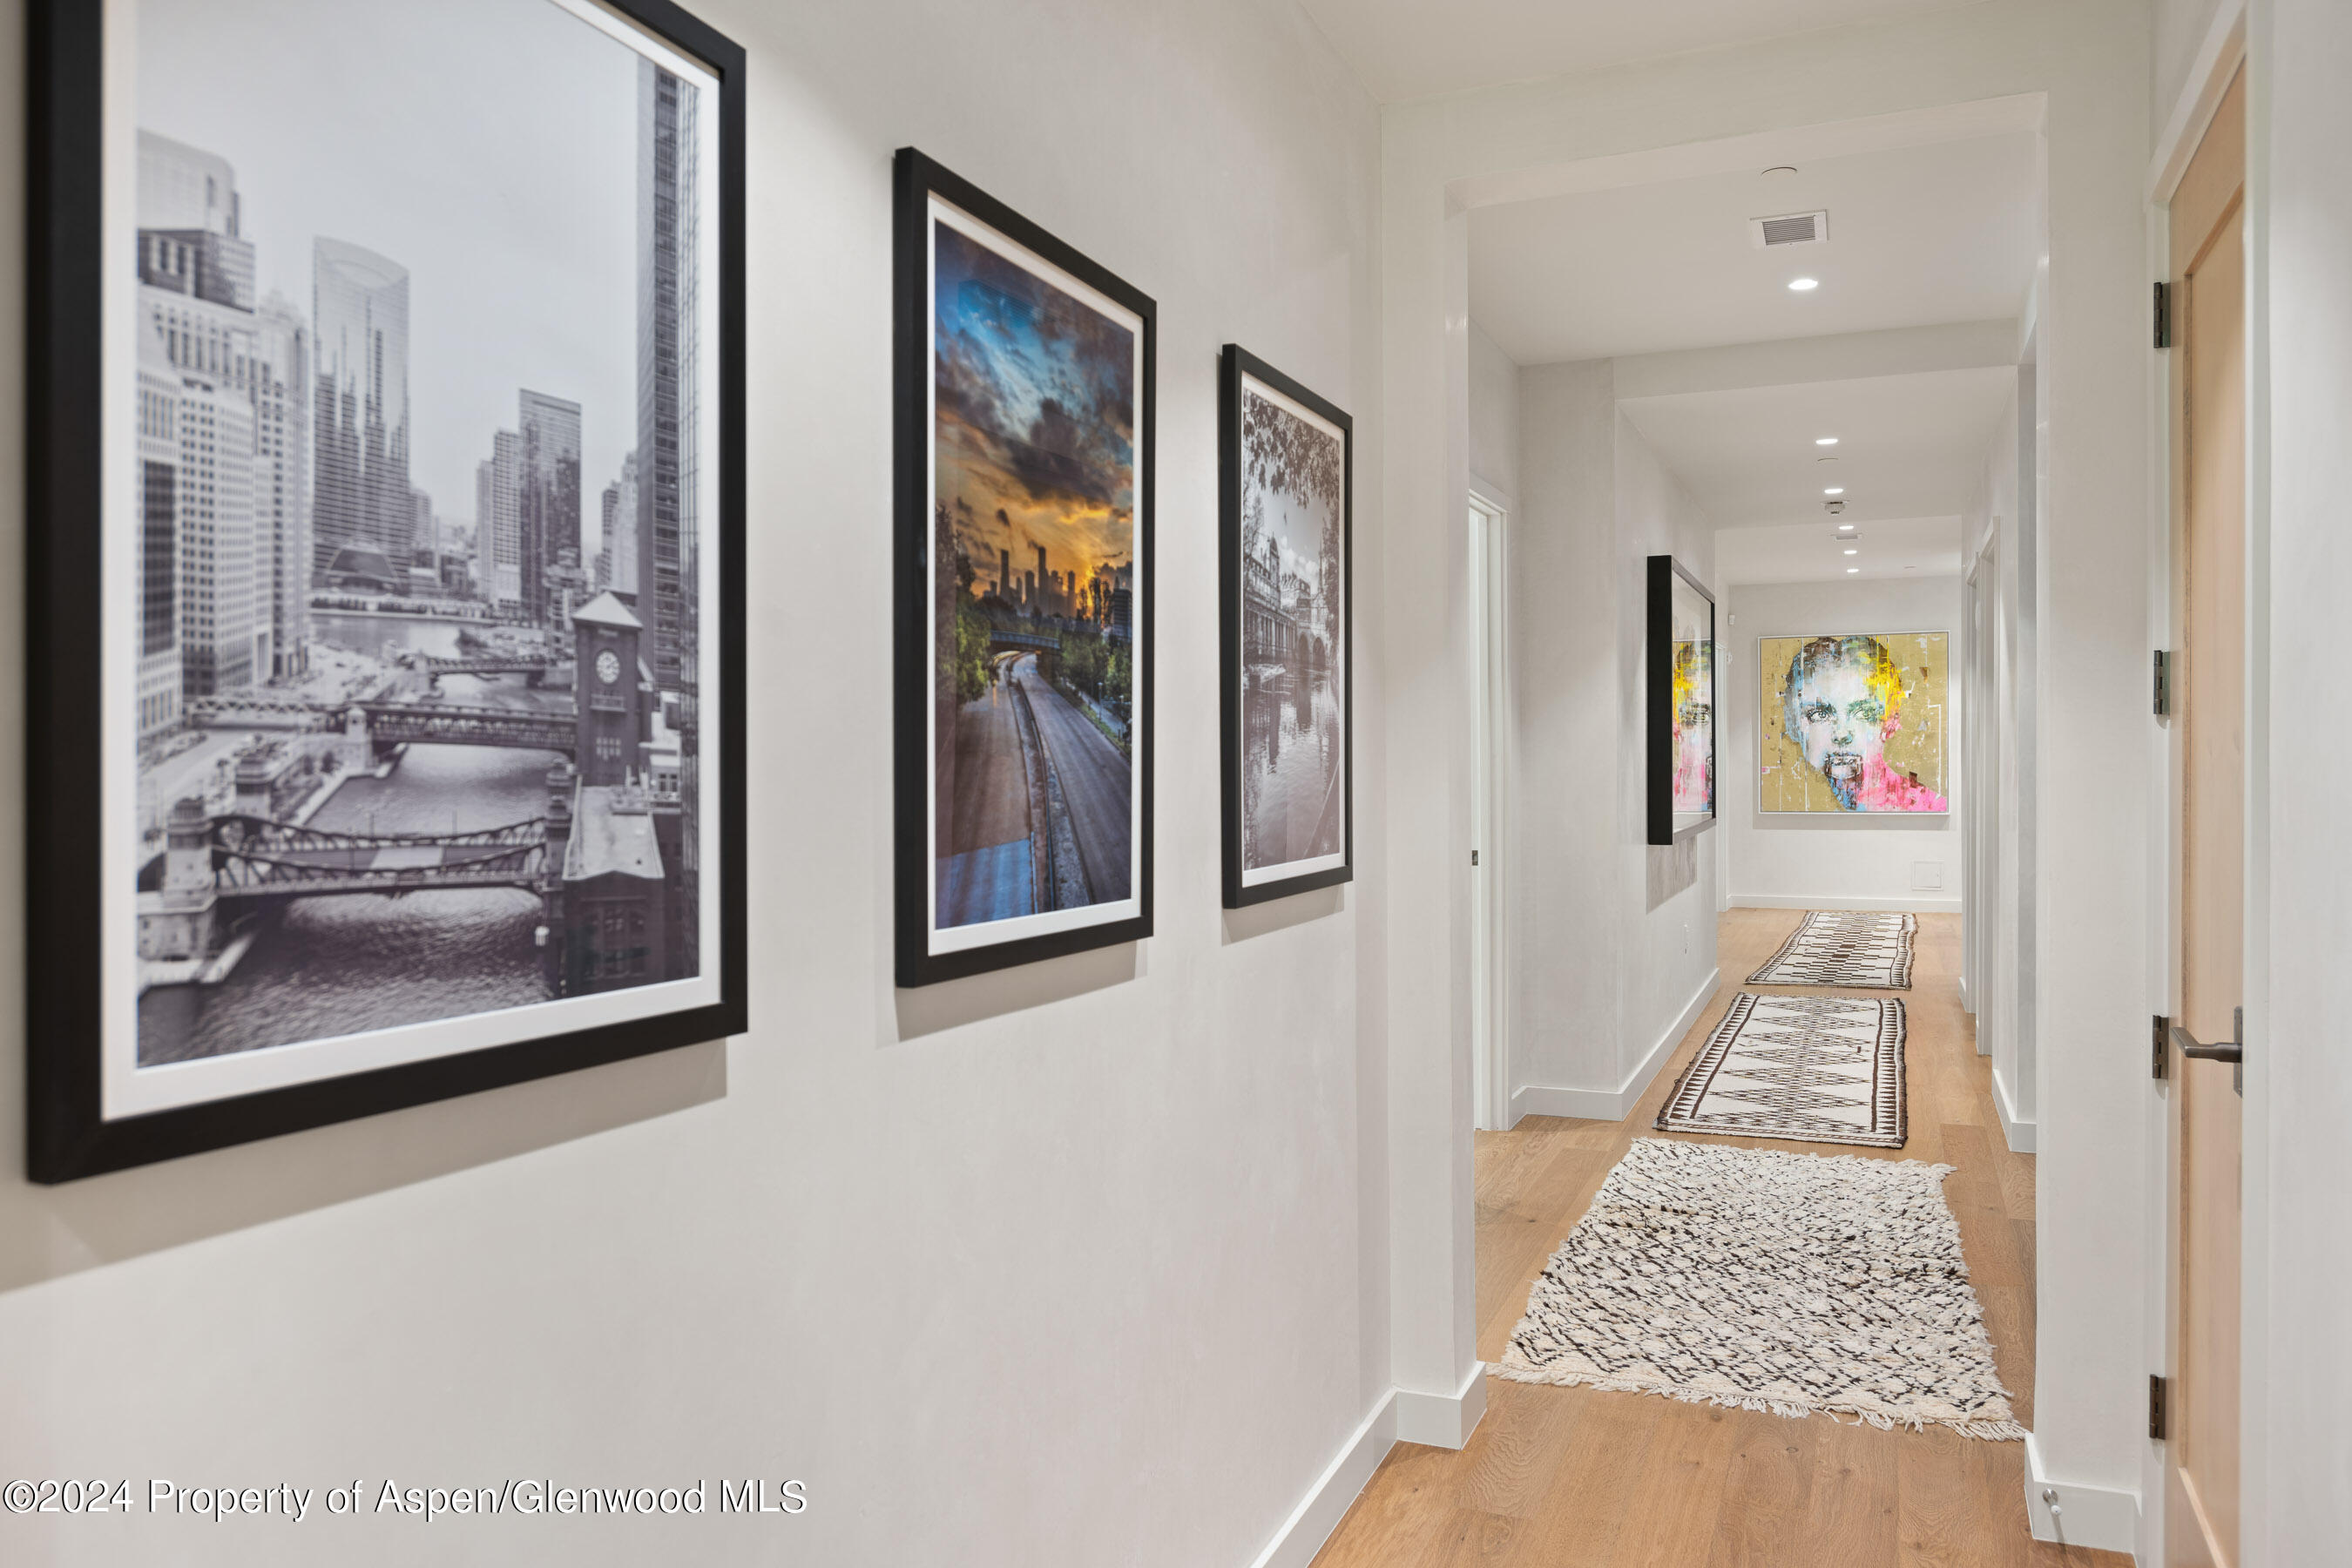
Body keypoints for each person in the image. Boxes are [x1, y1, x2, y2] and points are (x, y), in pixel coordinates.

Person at [1780, 634, 1948, 812]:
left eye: (1863, 713)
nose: (1842, 734)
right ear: (1793, 724)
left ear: (1890, 722)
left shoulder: (1926, 808)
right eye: (1820, 714)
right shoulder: (1794, 803)